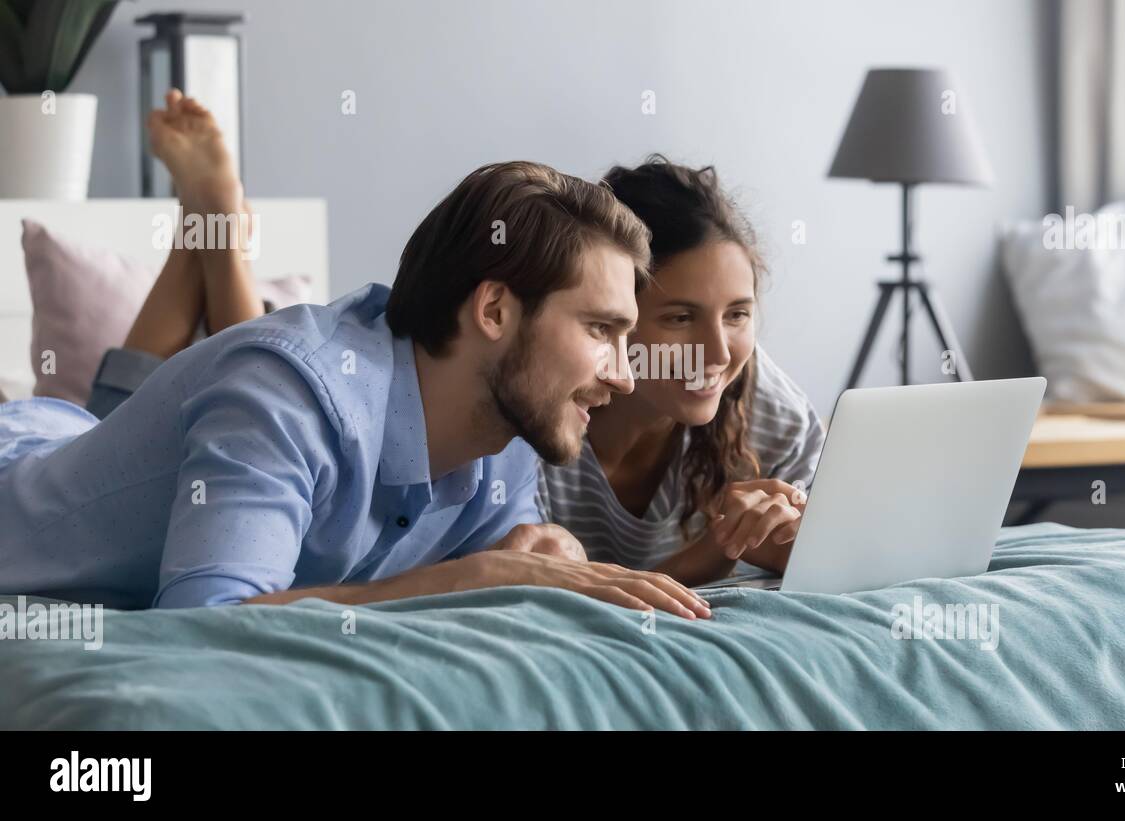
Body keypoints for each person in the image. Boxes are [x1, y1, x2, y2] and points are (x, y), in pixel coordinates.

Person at [0, 93, 711, 620]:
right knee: (103, 422)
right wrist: (468, 576)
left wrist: (550, 555)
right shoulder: (285, 393)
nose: (624, 373)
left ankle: (205, 231)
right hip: (21, 478)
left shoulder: (515, 417)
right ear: (494, 309)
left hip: (103, 453)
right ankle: (214, 234)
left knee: (113, 421)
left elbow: (511, 570)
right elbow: (202, 625)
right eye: (600, 330)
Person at [537, 157, 826, 587]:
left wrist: (799, 549)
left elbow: (845, 555)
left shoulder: (766, 407)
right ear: (611, 316)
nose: (718, 354)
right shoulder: (536, 418)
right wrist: (715, 552)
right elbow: (536, 610)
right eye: (680, 318)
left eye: (737, 315)